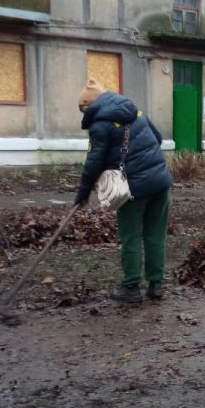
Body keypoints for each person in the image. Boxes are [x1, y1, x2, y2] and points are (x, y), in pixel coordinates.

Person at [74, 79, 173, 304]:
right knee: (155, 234)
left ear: (91, 105)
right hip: (160, 181)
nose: (82, 113)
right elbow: (157, 138)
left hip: (133, 187)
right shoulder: (135, 111)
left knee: (131, 236)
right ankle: (156, 284)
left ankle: (130, 286)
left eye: (82, 108)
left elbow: (93, 162)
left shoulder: (100, 125)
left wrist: (83, 192)